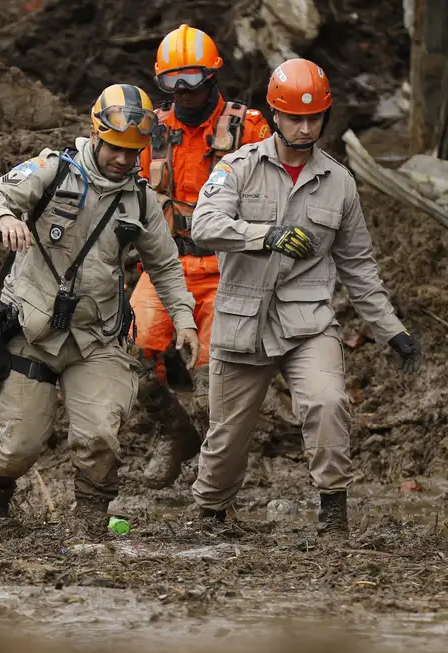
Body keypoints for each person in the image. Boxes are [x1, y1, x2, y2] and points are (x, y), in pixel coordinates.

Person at [188, 58, 422, 539]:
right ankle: (211, 512)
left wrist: (392, 330)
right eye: (295, 116)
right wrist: (263, 235)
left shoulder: (340, 183)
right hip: (242, 321)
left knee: (329, 402)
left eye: (314, 117)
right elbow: (203, 226)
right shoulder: (238, 169)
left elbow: (359, 267)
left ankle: (333, 512)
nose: (305, 126)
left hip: (307, 322)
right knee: (227, 437)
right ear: (275, 115)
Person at [0, 83, 199, 539]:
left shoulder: (140, 199)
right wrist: (6, 219)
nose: (123, 159)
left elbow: (166, 265)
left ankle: (90, 524)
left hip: (97, 335)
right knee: (20, 445)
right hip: (31, 333)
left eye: (133, 152)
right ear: (96, 135)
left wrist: (185, 320)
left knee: (99, 437)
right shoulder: (53, 170)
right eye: (115, 148)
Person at [129, 24, 272, 487]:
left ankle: (216, 480)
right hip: (166, 264)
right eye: (172, 81)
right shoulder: (151, 132)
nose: (183, 91)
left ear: (212, 76)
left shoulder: (249, 128)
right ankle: (173, 431)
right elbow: (123, 193)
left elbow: (276, 195)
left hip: (228, 266)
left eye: (191, 78)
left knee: (218, 380)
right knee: (128, 349)